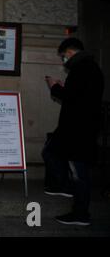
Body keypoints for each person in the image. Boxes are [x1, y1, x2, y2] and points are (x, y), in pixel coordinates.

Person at [44, 37, 104, 226]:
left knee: (74, 169)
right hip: (84, 128)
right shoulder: (92, 68)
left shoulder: (80, 69)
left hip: (77, 130)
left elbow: (71, 97)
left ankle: (75, 205)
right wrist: (65, 87)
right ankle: (77, 206)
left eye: (63, 56)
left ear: (69, 52)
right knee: (78, 170)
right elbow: (80, 95)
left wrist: (54, 86)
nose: (64, 60)